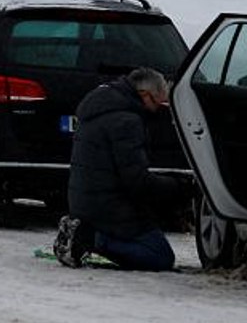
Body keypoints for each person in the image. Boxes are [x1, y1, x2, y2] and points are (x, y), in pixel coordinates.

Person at [54, 67, 182, 271]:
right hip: (109, 207)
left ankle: (84, 232)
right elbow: (136, 180)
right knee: (160, 256)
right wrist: (176, 187)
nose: (158, 110)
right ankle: (90, 239)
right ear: (144, 95)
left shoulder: (100, 106)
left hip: (84, 201)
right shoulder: (127, 121)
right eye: (158, 103)